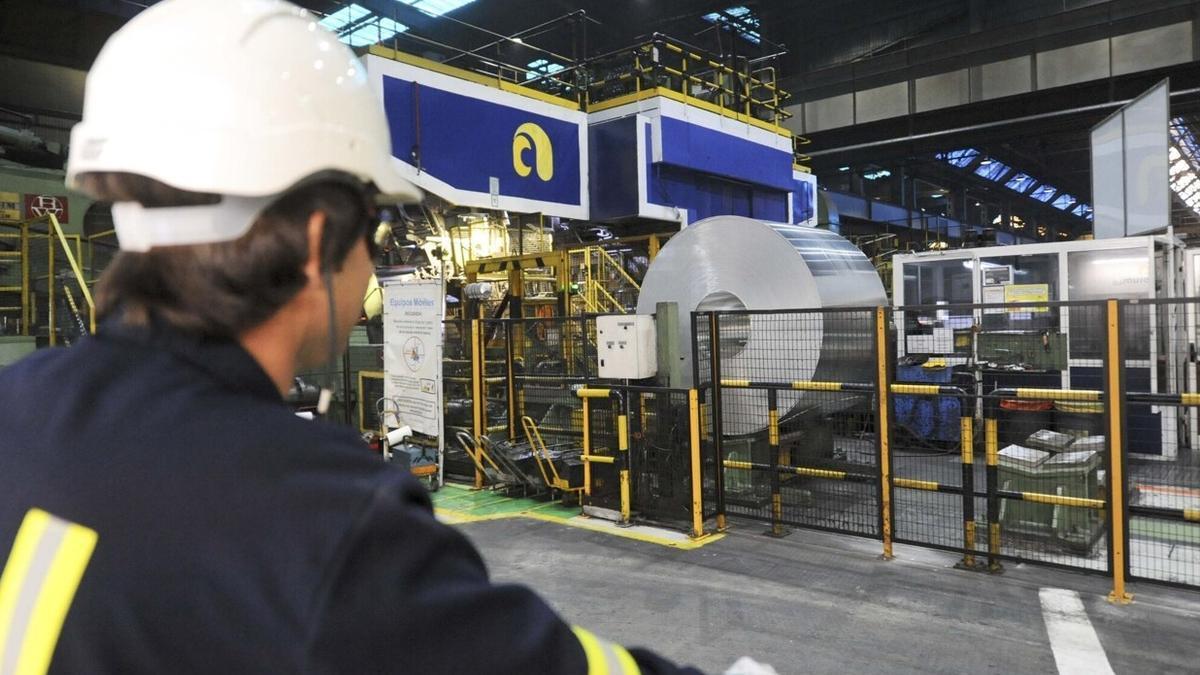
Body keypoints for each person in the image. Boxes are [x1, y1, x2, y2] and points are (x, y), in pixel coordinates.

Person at [0, 1, 715, 672]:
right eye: (374, 230)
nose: (374, 256)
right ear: (318, 245)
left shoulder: (16, 402)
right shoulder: (324, 522)